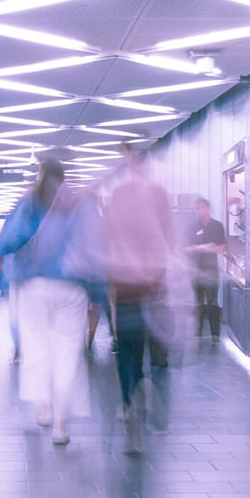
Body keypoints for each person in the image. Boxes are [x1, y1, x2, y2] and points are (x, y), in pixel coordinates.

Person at [0, 158, 100, 447]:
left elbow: (7, 243)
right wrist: (97, 293)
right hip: (72, 287)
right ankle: (60, 425)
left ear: (41, 173)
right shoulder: (81, 204)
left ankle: (44, 405)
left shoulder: (30, 201)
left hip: (34, 286)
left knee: (37, 347)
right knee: (68, 353)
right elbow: (95, 249)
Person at [104, 142, 177, 457]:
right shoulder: (159, 194)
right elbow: (169, 237)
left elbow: (106, 237)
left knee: (128, 351)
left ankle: (130, 403)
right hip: (151, 284)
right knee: (150, 350)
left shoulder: (119, 196)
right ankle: (144, 397)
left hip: (126, 284)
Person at [185, 198, 226, 342]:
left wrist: (211, 249)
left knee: (212, 301)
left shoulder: (217, 226)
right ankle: (197, 333)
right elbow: (186, 248)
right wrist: (199, 248)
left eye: (202, 207)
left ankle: (215, 334)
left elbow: (223, 247)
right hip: (196, 270)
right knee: (197, 301)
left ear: (208, 208)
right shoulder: (191, 227)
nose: (199, 211)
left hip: (211, 271)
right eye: (197, 208)